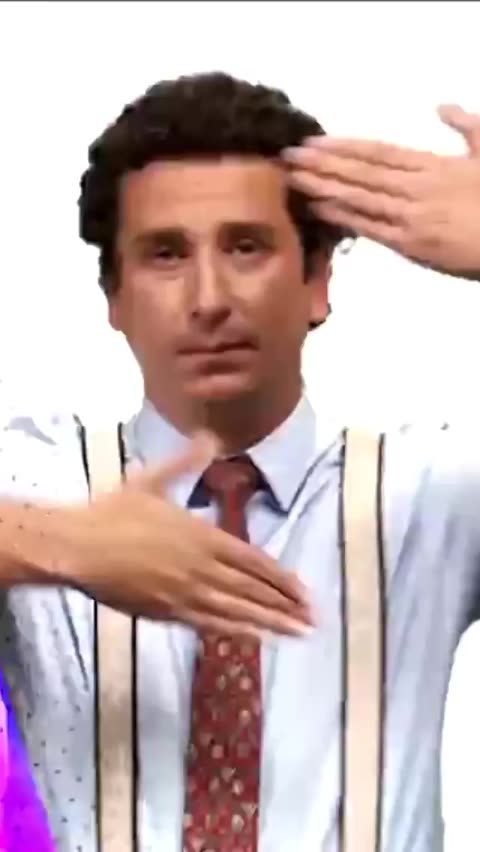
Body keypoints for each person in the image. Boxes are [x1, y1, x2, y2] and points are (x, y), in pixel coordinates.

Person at [1, 72, 480, 852]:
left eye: (246, 247)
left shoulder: (431, 492)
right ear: (113, 298)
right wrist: (54, 544)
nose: (210, 298)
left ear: (318, 281)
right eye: (165, 254)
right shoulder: (40, 488)